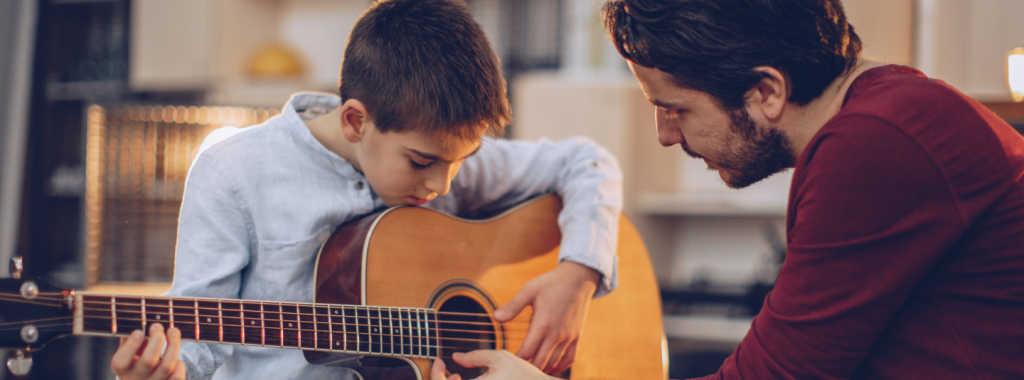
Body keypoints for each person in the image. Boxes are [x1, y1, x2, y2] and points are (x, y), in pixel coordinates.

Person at [436, 0, 1024, 379]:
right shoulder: (887, 116)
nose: (665, 135)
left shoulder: (876, 143)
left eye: (675, 108)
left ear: (766, 91)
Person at [108, 1, 624, 379]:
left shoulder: (440, 153)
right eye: (422, 162)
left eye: (460, 162)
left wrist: (578, 274)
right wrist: (164, 372)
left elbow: (588, 161)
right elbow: (197, 344)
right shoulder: (232, 172)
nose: (443, 183)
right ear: (356, 121)